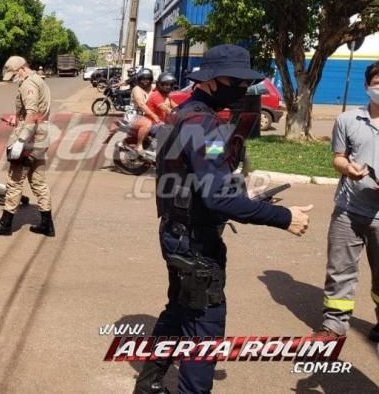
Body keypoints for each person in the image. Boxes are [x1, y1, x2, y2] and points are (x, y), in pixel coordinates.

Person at [134, 44, 313, 394]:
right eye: (238, 82)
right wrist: (283, 217)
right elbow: (219, 197)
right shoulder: (202, 122)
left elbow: (205, 178)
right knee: (204, 329)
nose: (244, 90)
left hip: (177, 232)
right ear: (213, 81)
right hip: (194, 243)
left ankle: (148, 385)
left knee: (180, 311)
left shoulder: (185, 113)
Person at [313, 61, 379, 343]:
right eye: (377, 83)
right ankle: (333, 326)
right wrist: (346, 168)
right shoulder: (347, 120)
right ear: (367, 87)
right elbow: (338, 157)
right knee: (339, 270)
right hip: (348, 210)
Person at [0, 56, 55, 237]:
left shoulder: (28, 84)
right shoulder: (39, 80)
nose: (13, 78)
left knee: (14, 181)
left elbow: (31, 113)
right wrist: (17, 118)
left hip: (29, 139)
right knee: (38, 181)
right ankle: (47, 224)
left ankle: (6, 224)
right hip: (40, 135)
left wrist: (21, 140)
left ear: (22, 69)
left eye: (13, 74)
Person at [130, 68, 160, 153]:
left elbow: (162, 90)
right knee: (147, 123)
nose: (145, 81)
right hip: (135, 115)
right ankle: (139, 145)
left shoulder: (152, 87)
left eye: (148, 79)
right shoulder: (137, 89)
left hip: (147, 115)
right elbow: (141, 104)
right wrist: (153, 115)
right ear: (139, 79)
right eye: (143, 79)